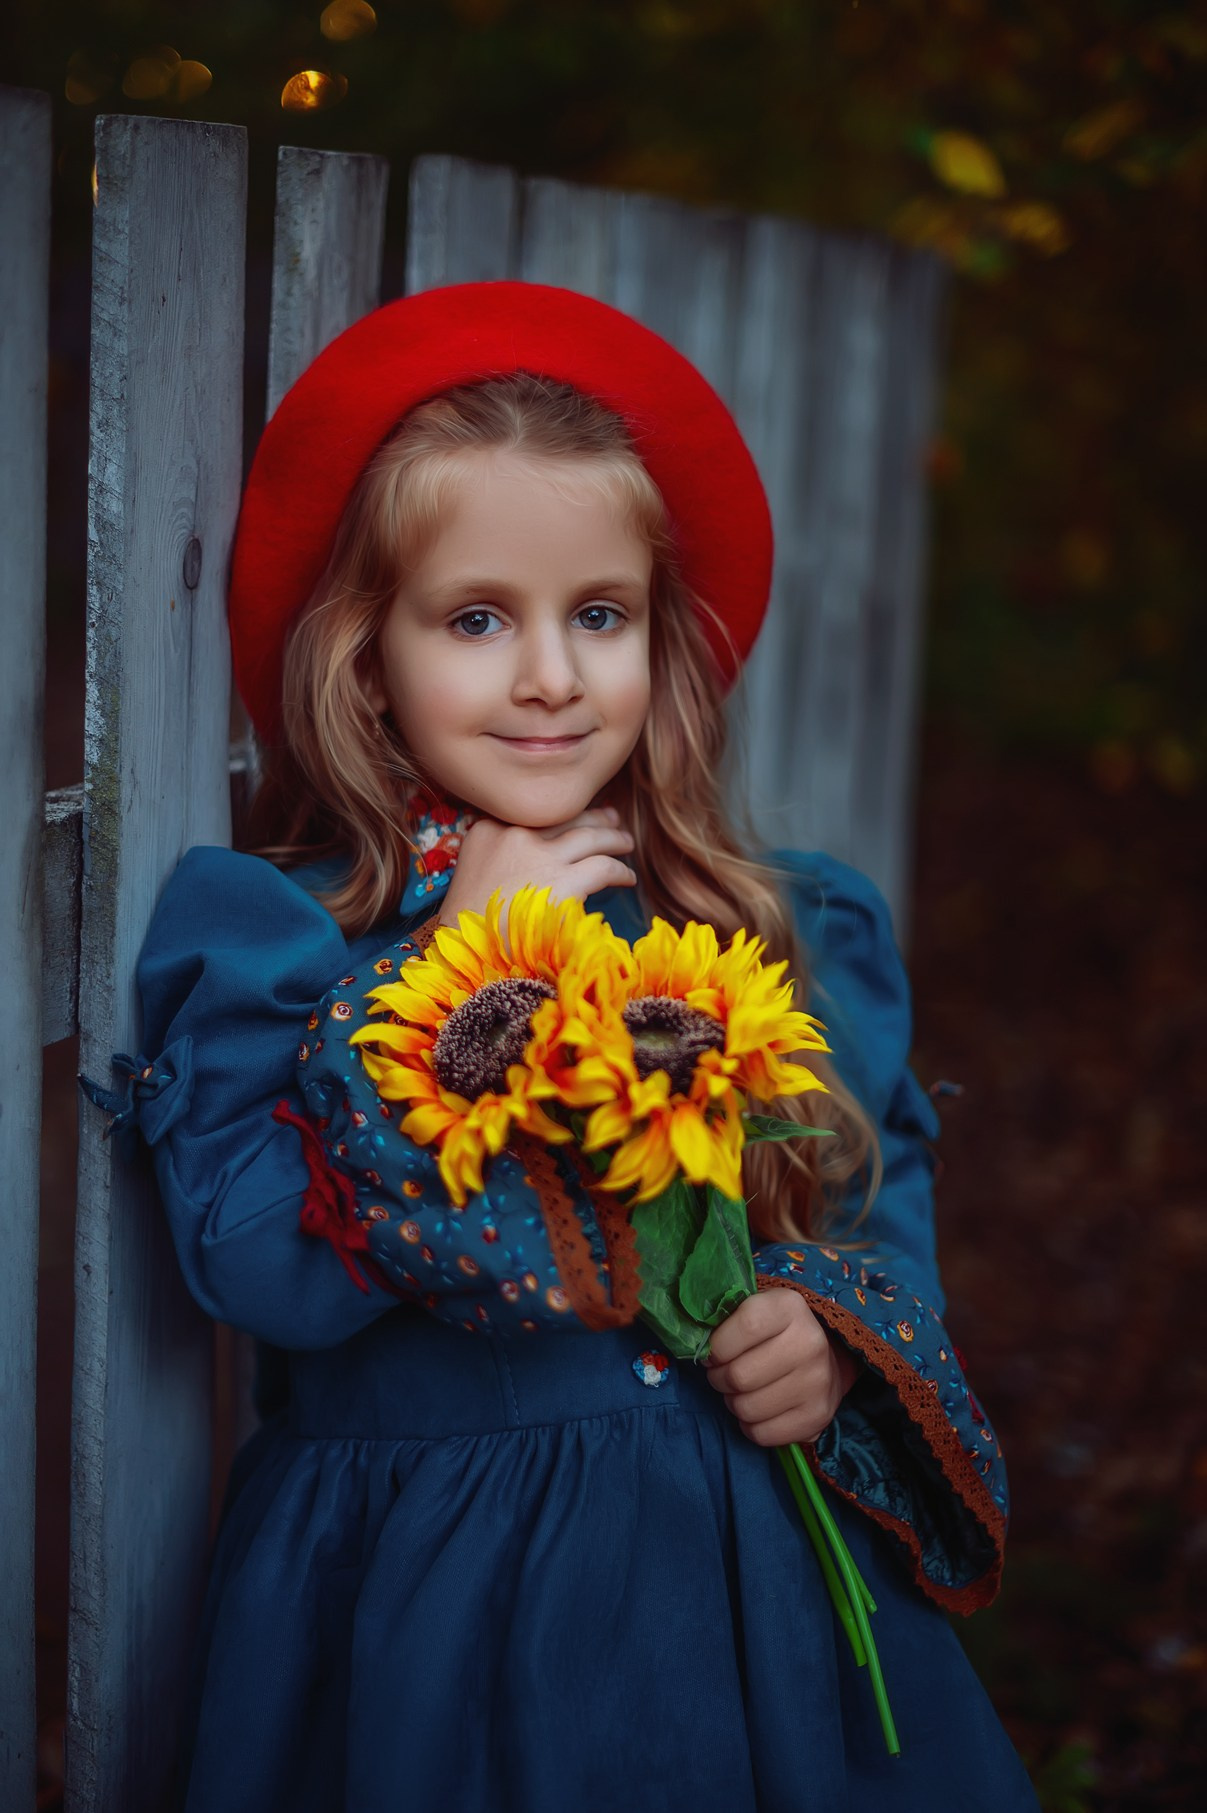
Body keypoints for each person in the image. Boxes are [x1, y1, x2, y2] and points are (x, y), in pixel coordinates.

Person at [80, 282, 1039, 1812]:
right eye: (476, 618)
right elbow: (258, 1261)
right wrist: (472, 960)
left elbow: (873, 1209)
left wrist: (827, 1332)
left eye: (600, 613)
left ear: (662, 633)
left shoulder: (766, 923)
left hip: (748, 1585)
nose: (550, 674)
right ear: (365, 655)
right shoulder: (281, 939)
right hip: (444, 1600)